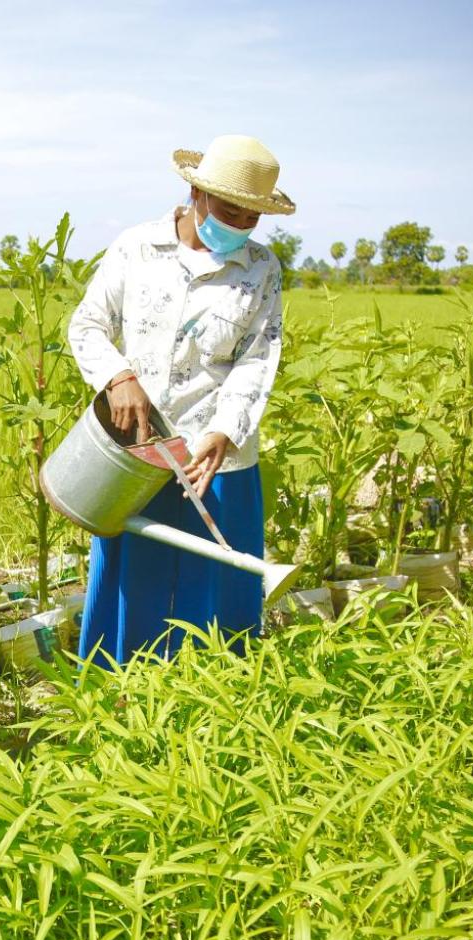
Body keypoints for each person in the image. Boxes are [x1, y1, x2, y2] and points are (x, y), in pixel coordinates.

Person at [67, 134, 294, 666]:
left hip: (217, 460)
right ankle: (118, 704)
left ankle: (212, 712)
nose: (238, 226)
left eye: (251, 218)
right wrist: (118, 376)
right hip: (138, 454)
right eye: (229, 210)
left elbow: (258, 358)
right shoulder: (137, 248)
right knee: (134, 585)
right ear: (196, 193)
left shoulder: (262, 270)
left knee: (216, 593)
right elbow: (88, 323)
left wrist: (225, 431)